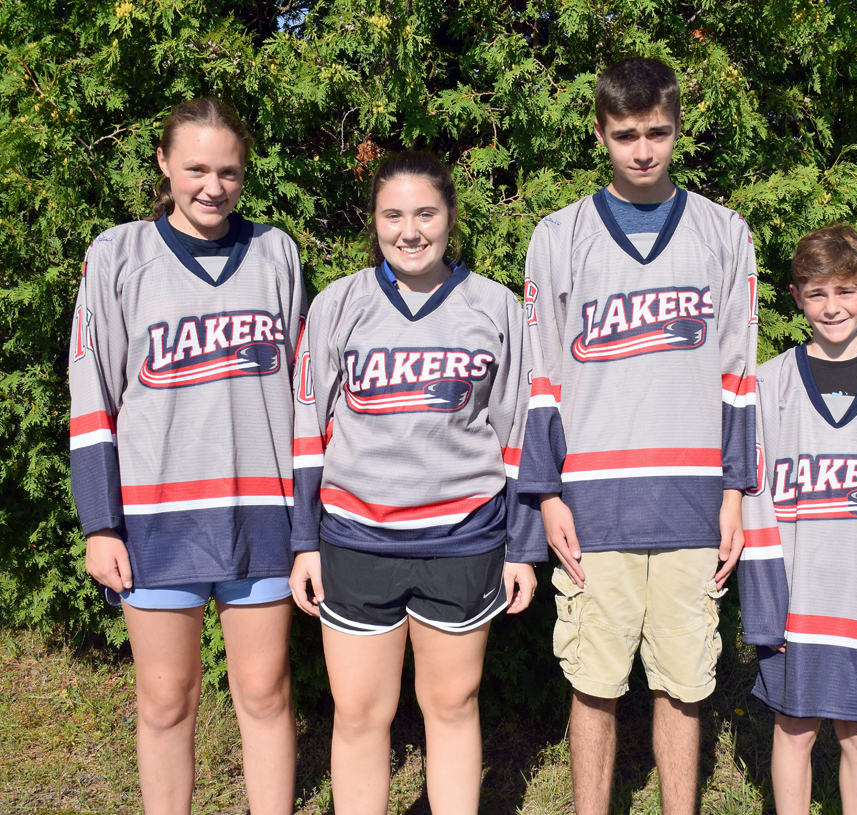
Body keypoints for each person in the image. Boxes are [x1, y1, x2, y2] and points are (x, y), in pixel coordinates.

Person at [517, 57, 759, 815]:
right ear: (600, 133)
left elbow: (738, 374)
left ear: (678, 127)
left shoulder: (725, 233)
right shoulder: (559, 236)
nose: (643, 150)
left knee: (684, 685)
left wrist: (735, 493)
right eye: (626, 135)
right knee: (593, 684)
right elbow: (541, 378)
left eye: (657, 132)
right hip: (594, 505)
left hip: (692, 501)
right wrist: (547, 495)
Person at [288, 150, 543, 815]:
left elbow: (520, 433)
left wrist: (522, 546)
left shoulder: (495, 307)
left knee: (452, 704)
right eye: (392, 215)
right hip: (355, 539)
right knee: (358, 712)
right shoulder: (338, 305)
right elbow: (307, 430)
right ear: (373, 221)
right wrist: (304, 541)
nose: (410, 231)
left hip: (462, 539)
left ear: (450, 216)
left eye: (426, 213)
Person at [68, 98, 304, 815]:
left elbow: (304, 393)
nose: (212, 186)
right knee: (166, 698)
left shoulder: (276, 251)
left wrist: (310, 521)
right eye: (196, 168)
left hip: (262, 510)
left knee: (264, 692)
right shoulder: (118, 255)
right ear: (164, 164)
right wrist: (100, 523)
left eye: (228, 171)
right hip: (156, 514)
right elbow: (92, 391)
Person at [738, 224, 857, 814]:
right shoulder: (770, 384)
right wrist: (766, 608)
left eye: (846, 291)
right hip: (795, 603)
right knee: (793, 731)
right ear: (796, 296)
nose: (832, 307)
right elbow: (754, 500)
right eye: (817, 293)